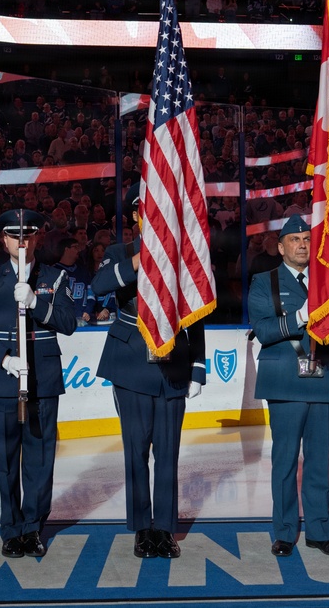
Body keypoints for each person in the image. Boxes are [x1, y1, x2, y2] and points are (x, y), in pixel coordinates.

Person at [91, 186, 206, 559]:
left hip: (174, 362)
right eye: (149, 211)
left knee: (168, 453)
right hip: (131, 364)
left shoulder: (186, 254)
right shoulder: (118, 253)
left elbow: (197, 312)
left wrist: (199, 368)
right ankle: (143, 528)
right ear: (138, 217)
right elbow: (99, 287)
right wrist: (140, 260)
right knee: (136, 450)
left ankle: (165, 529)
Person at [0, 209, 76, 559]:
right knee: (5, 459)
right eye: (14, 235)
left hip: (43, 381)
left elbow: (69, 322)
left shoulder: (55, 278)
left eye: (28, 234)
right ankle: (10, 530)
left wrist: (35, 303)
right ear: (3, 240)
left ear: (37, 238)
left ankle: (33, 528)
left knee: (41, 460)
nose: (22, 241)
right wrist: (3, 357)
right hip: (3, 381)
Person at [248, 215, 329, 558]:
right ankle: (284, 532)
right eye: (294, 239)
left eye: (307, 238)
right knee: (285, 461)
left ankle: (320, 533)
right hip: (285, 382)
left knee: (321, 462)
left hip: (324, 378)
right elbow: (263, 331)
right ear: (280, 247)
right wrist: (299, 317)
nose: (302, 245)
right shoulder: (265, 281)